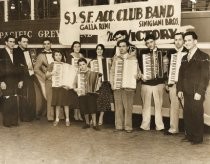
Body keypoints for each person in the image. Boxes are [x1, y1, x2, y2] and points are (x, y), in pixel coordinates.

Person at [177, 31, 209, 144]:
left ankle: (197, 138)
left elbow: (205, 77)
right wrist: (179, 89)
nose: (187, 43)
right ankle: (189, 135)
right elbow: (180, 75)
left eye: (189, 40)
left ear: (195, 41)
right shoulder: (184, 57)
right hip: (186, 91)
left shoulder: (204, 56)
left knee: (196, 114)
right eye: (185, 41)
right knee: (187, 113)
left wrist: (200, 91)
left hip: (196, 92)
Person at [137, 34, 168, 131]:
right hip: (146, 84)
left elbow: (166, 69)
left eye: (151, 42)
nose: (150, 44)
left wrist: (166, 80)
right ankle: (145, 125)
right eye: (147, 43)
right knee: (145, 105)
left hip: (159, 83)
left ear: (155, 41)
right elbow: (138, 68)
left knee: (159, 105)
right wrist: (141, 75)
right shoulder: (142, 53)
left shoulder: (163, 53)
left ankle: (160, 126)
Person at [110, 39, 139, 133]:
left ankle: (128, 126)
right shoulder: (116, 58)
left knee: (128, 107)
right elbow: (112, 72)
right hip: (117, 86)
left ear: (127, 47)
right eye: (120, 46)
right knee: (118, 107)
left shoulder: (133, 58)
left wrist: (137, 76)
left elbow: (138, 72)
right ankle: (118, 126)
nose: (121, 48)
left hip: (129, 87)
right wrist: (112, 83)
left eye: (123, 46)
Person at [164, 33, 188, 135]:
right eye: (176, 40)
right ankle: (173, 129)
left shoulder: (188, 52)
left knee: (187, 107)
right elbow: (166, 68)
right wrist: (166, 82)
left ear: (183, 41)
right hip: (173, 84)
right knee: (173, 107)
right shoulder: (170, 53)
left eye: (179, 39)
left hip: (184, 85)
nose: (177, 42)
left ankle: (189, 131)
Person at [0, 35, 24, 127]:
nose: (12, 43)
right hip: (5, 81)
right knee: (7, 100)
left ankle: (14, 121)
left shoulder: (17, 53)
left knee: (14, 99)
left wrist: (21, 80)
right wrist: (1, 82)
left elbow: (20, 68)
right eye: (10, 41)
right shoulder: (1, 53)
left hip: (15, 80)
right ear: (6, 42)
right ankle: (7, 122)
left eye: (14, 42)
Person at [74, 58, 101, 131]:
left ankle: (95, 124)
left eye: (83, 64)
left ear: (86, 64)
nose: (82, 66)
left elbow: (97, 81)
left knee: (92, 108)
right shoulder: (78, 75)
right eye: (80, 65)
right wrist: (75, 89)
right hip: (82, 93)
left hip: (91, 94)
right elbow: (74, 84)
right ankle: (87, 123)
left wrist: (98, 83)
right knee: (84, 108)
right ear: (78, 66)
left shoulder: (92, 73)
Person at [46, 50, 71, 127]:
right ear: (54, 56)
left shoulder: (65, 65)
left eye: (60, 55)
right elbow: (46, 75)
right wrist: (52, 73)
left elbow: (69, 76)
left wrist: (68, 85)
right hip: (56, 87)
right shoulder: (52, 64)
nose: (58, 57)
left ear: (62, 56)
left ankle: (67, 119)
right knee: (57, 104)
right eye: (56, 55)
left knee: (66, 104)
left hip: (64, 87)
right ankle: (57, 119)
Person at [15, 35, 36, 122]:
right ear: (19, 42)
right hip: (22, 77)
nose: (26, 43)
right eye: (24, 42)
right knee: (24, 97)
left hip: (29, 76)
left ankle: (30, 115)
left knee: (30, 96)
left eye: (27, 42)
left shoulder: (27, 51)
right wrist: (20, 80)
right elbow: (17, 67)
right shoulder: (16, 52)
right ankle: (24, 117)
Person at [34, 38, 55, 121]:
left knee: (57, 96)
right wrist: (44, 76)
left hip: (56, 78)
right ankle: (50, 116)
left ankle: (59, 116)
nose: (47, 45)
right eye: (45, 44)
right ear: (43, 45)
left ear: (51, 44)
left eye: (48, 43)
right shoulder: (40, 55)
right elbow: (36, 69)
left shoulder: (56, 53)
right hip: (47, 78)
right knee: (49, 97)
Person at [94, 44, 113, 126]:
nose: (99, 50)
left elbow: (110, 72)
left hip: (104, 83)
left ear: (103, 51)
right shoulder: (92, 61)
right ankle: (93, 118)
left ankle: (101, 117)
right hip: (95, 84)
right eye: (98, 49)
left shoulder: (106, 61)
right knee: (94, 101)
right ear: (96, 50)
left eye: (101, 49)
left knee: (103, 100)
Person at [66, 41, 83, 121]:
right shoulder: (70, 56)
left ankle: (79, 114)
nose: (77, 48)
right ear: (73, 47)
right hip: (73, 77)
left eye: (78, 46)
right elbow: (68, 67)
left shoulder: (81, 55)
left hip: (80, 77)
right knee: (75, 97)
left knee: (80, 96)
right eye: (75, 46)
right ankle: (75, 114)